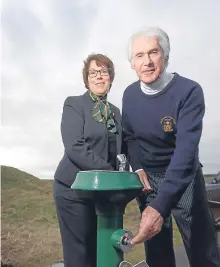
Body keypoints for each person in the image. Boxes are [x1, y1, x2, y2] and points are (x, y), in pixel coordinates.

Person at [122, 27, 220, 267]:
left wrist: (160, 206)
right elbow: (130, 137)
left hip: (183, 176)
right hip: (149, 179)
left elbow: (185, 153)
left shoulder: (189, 91)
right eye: (139, 56)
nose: (146, 62)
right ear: (132, 64)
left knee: (202, 250)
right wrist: (137, 168)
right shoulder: (129, 95)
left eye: (153, 53)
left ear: (165, 57)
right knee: (156, 252)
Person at [53, 53, 124, 267]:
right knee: (80, 255)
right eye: (93, 72)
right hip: (73, 190)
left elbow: (121, 150)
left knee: (100, 251)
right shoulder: (74, 104)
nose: (99, 77)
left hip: (102, 191)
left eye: (104, 72)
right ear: (86, 78)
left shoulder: (116, 113)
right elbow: (75, 147)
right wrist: (110, 173)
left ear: (110, 77)